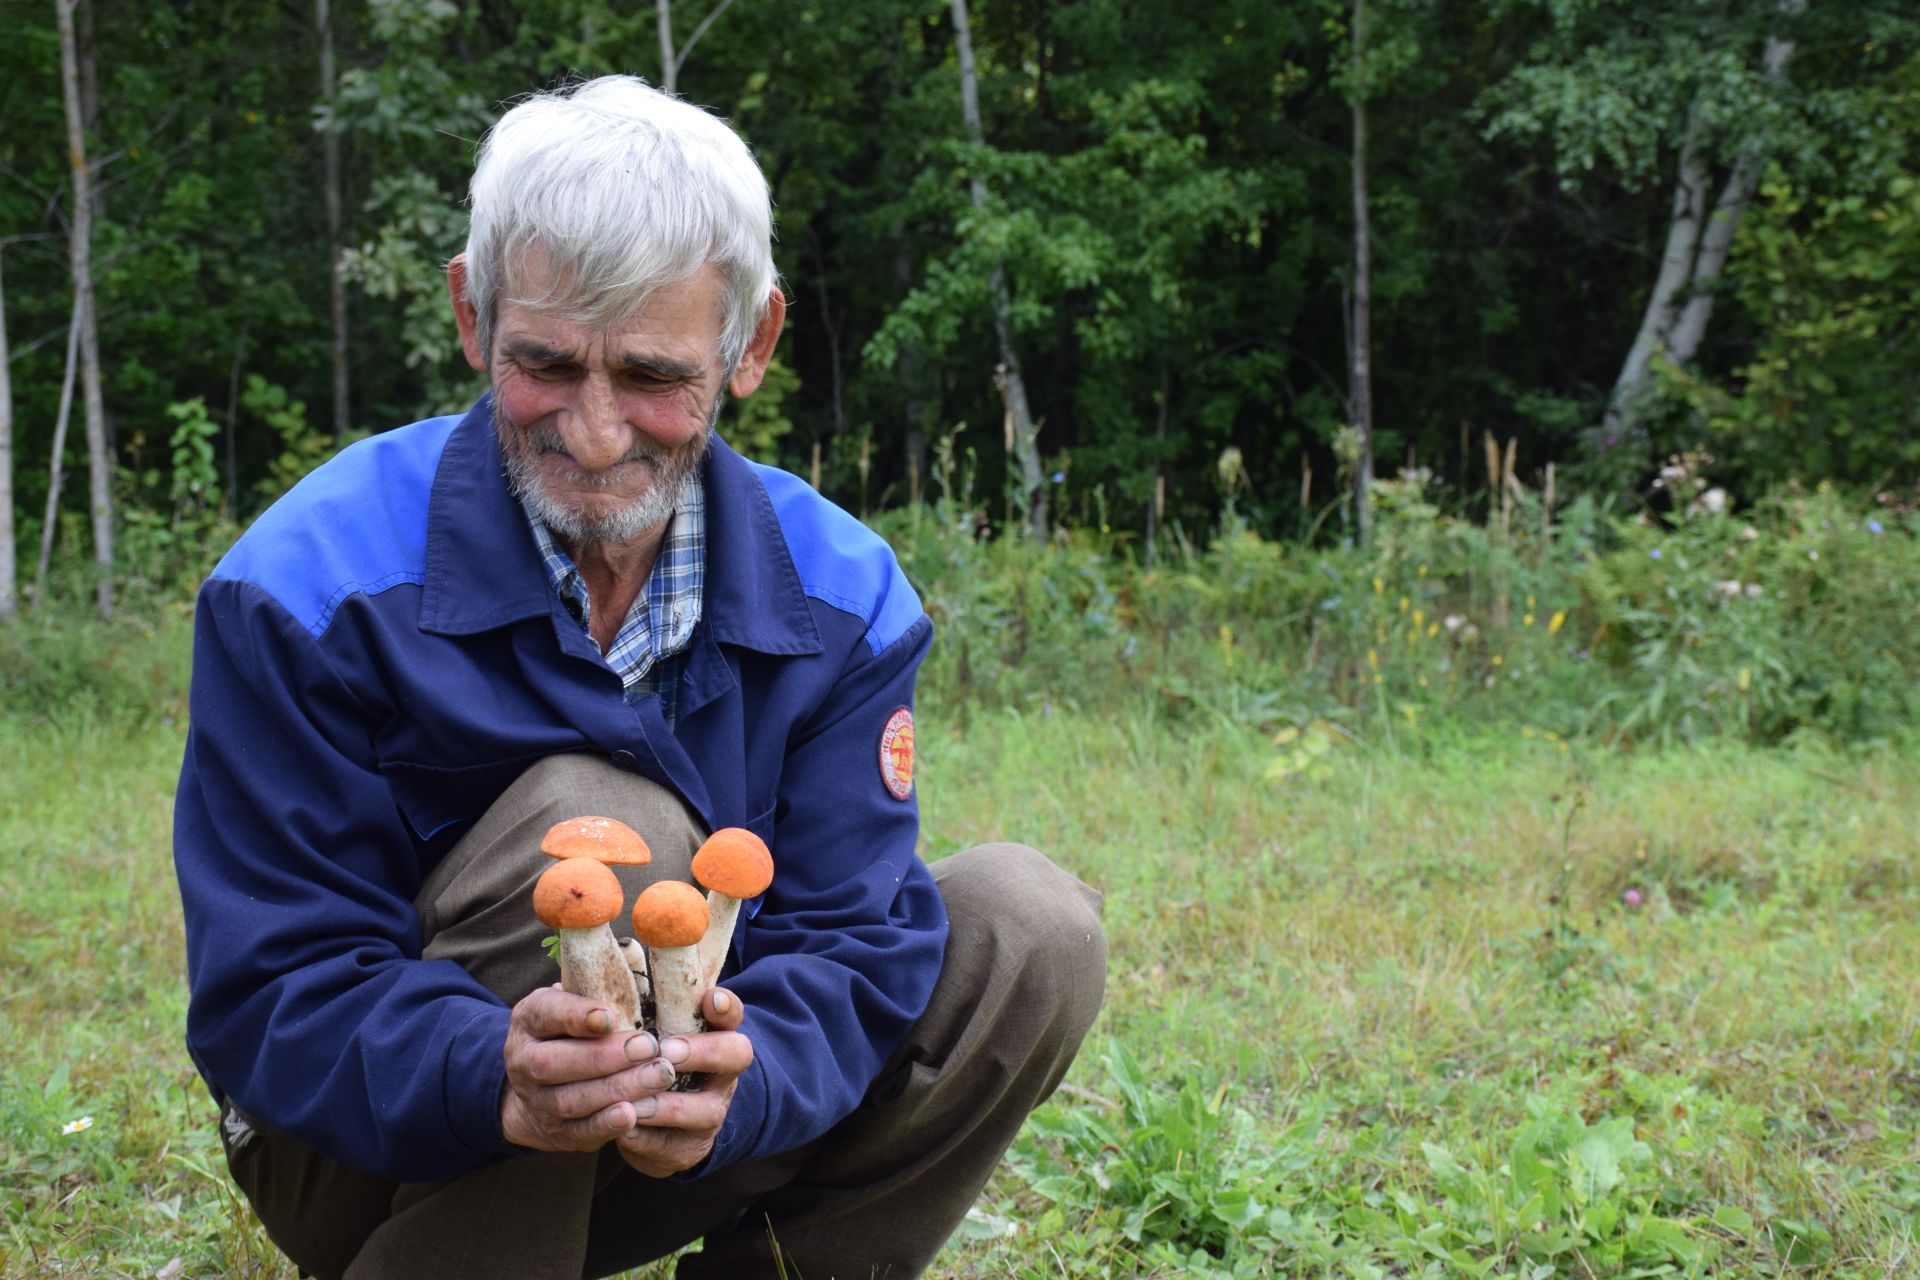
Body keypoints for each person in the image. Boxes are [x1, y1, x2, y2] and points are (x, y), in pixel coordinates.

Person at [172, 76, 1106, 1279]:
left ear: (752, 343)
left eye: (655, 377)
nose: (597, 432)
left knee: (1031, 925)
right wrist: (492, 1072)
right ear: (471, 315)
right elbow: (273, 988)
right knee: (606, 834)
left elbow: (850, 935)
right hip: (368, 1145)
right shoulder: (303, 589)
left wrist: (750, 1075)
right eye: (547, 364)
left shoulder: (845, 596)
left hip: (689, 1139)